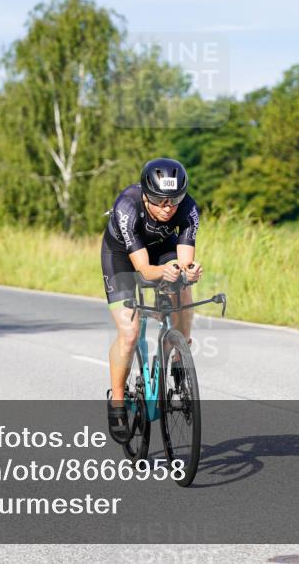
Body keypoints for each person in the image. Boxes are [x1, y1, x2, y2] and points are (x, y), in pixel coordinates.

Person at [101, 158, 202, 443]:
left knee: (182, 287)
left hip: (161, 249)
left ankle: (180, 353)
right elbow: (144, 270)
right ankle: (118, 403)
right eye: (159, 201)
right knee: (130, 333)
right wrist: (163, 273)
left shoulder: (189, 209)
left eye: (174, 201)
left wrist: (189, 272)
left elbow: (184, 260)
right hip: (121, 257)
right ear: (146, 194)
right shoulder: (127, 207)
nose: (167, 209)